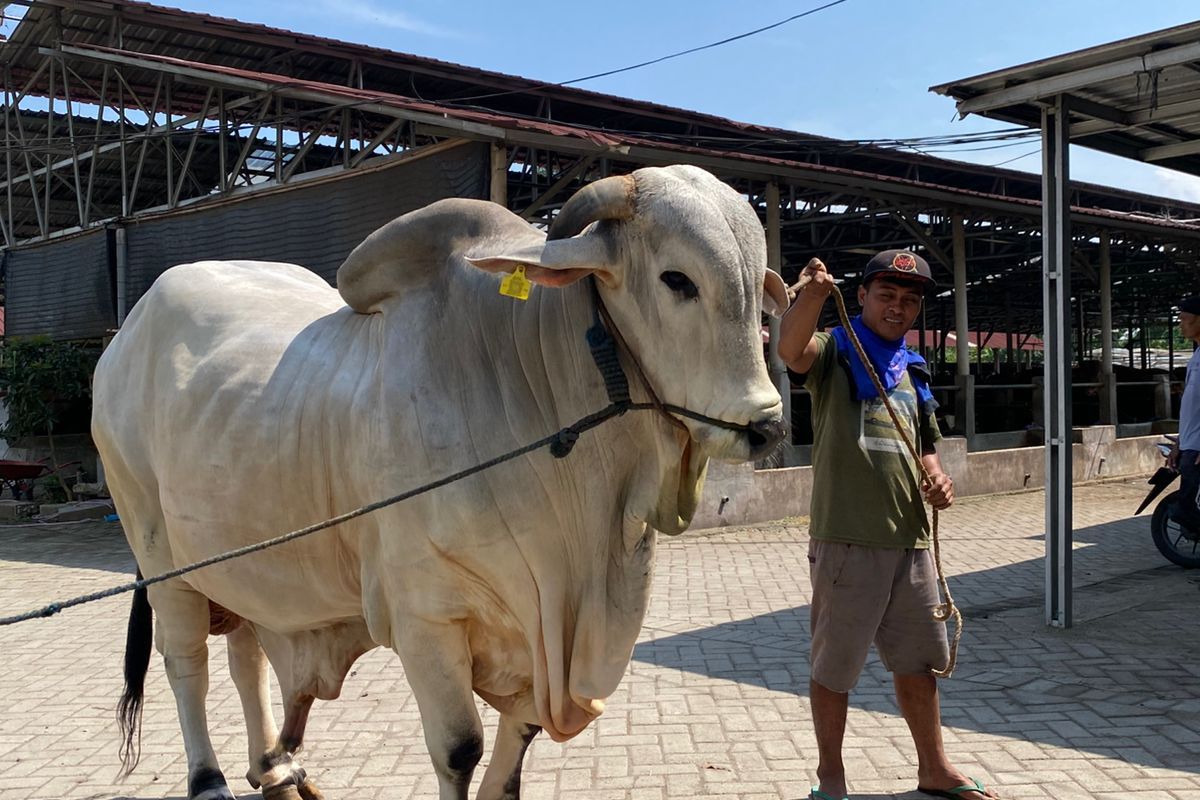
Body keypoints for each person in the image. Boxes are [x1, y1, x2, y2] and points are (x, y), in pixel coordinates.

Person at [777, 250, 998, 800]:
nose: (897, 307)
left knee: (919, 663)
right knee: (835, 668)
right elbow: (789, 351)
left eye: (909, 299)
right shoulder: (835, 350)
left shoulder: (913, 370)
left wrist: (939, 479)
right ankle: (831, 775)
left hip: (912, 542)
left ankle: (934, 767)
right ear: (862, 298)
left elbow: (925, 446)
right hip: (848, 541)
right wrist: (810, 296)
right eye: (886, 295)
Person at [1169, 295, 1200, 529]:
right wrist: (1179, 443)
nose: (1181, 324)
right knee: (1185, 508)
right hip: (1190, 443)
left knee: (1186, 509)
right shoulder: (1196, 357)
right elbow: (1191, 408)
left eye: (1185, 319)